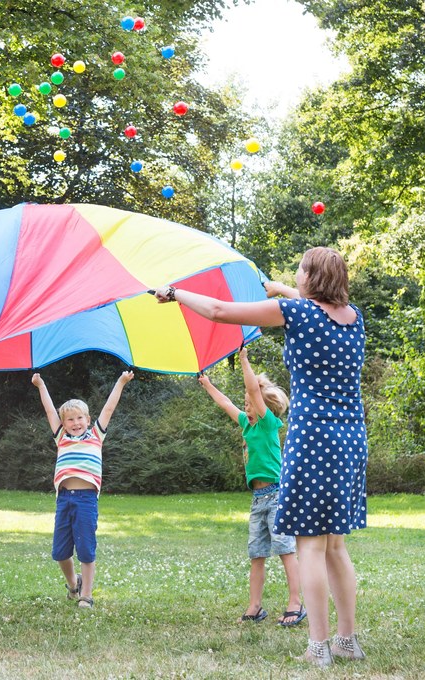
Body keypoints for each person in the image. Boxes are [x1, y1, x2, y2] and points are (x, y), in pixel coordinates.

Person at [153, 247, 367, 667]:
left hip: (314, 437)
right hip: (351, 438)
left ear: (311, 278)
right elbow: (316, 304)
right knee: (336, 546)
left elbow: (218, 311)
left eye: (300, 270)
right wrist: (280, 288)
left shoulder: (297, 313)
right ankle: (347, 641)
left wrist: (175, 293)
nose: (297, 275)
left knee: (310, 546)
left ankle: (318, 648)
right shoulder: (354, 318)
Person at [198, 347, 304, 626]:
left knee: (285, 550)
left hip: (277, 496)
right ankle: (255, 606)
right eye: (245, 402)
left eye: (250, 402)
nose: (246, 405)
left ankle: (296, 603)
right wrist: (207, 383)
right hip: (258, 499)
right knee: (257, 554)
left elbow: (254, 391)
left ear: (263, 407)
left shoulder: (268, 424)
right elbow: (225, 403)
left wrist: (244, 359)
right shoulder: (247, 424)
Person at [30, 369, 133, 609]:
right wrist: (41, 385)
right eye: (70, 419)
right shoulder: (61, 438)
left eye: (79, 418)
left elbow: (109, 408)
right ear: (63, 423)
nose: (75, 423)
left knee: (86, 548)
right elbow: (49, 410)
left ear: (88, 419)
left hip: (86, 499)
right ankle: (73, 584)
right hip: (65, 499)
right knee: (60, 552)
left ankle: (87, 595)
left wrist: (121, 381)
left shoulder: (96, 435)